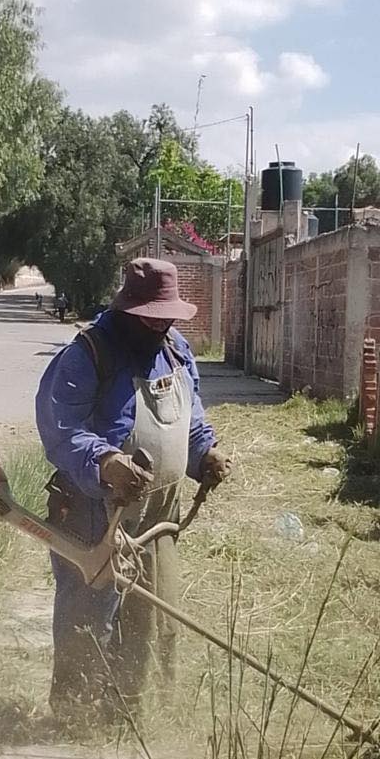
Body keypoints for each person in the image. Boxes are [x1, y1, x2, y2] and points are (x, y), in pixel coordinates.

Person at [36, 258, 231, 713]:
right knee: (89, 614)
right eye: (155, 317)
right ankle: (77, 715)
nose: (163, 326)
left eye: (169, 318)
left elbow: (190, 418)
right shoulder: (87, 355)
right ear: (129, 310)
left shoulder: (175, 349)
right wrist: (105, 461)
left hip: (158, 518)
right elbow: (60, 429)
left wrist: (205, 455)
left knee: (148, 617)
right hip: (92, 513)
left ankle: (128, 712)